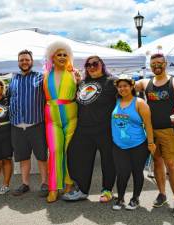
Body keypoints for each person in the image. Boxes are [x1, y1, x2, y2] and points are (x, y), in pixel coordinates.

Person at [136, 53, 174, 218]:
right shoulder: (146, 83)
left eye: (160, 63)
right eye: (153, 64)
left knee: (171, 165)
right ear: (149, 66)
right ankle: (162, 194)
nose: (156, 66)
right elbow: (124, 86)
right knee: (157, 163)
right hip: (151, 130)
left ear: (165, 64)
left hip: (169, 130)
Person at [63, 56, 116, 202]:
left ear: (102, 65)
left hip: (105, 129)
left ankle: (107, 190)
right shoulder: (83, 83)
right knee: (76, 155)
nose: (91, 67)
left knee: (108, 160)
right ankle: (82, 189)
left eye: (95, 64)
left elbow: (126, 98)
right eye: (88, 65)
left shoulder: (111, 82)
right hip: (84, 129)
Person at [111, 75, 155, 210]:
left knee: (137, 172)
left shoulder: (140, 103)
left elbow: (148, 125)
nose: (122, 88)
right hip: (118, 145)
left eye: (125, 86)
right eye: (119, 86)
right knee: (122, 173)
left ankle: (135, 198)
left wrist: (151, 143)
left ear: (131, 87)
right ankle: (120, 199)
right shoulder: (115, 102)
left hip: (138, 145)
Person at [9, 50, 48, 197]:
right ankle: (25, 184)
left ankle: (44, 183)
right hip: (17, 126)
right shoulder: (13, 79)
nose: (24, 62)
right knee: (23, 157)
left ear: (31, 61)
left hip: (36, 125)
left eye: (27, 59)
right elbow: (6, 97)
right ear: (18, 62)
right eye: (21, 60)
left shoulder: (41, 77)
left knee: (41, 156)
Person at [43, 41, 78, 203]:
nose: (62, 57)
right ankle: (53, 188)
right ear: (52, 57)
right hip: (52, 117)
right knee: (55, 151)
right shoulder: (45, 75)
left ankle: (69, 183)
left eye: (65, 54)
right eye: (59, 54)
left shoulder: (75, 74)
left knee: (69, 150)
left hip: (71, 114)